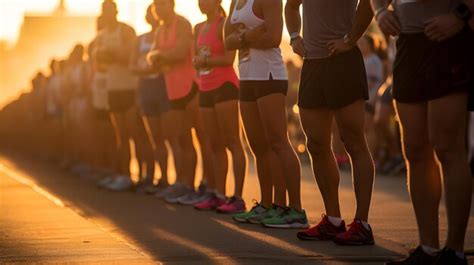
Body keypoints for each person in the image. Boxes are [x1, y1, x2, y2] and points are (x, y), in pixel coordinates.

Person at [372, 0, 474, 264]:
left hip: (448, 38)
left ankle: (454, 252)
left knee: (447, 147)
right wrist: (380, 10)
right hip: (408, 43)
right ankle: (428, 249)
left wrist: (462, 15)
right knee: (415, 150)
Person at [286, 0, 376, 245]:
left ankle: (362, 224)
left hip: (343, 60)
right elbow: (291, 7)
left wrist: (350, 39)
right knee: (315, 144)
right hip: (313, 64)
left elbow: (369, 4)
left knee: (353, 141)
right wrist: (294, 37)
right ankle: (334, 221)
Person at [225, 0, 308, 228]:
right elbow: (227, 40)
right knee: (258, 147)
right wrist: (248, 36)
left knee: (278, 143)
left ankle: (294, 209)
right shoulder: (235, 2)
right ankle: (267, 204)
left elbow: (272, 37)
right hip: (247, 77)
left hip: (269, 76)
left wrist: (242, 37)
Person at [149, 0, 213, 205]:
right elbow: (151, 58)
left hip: (192, 88)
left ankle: (209, 186)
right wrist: (160, 57)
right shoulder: (160, 30)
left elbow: (180, 52)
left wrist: (161, 57)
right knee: (183, 141)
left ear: (172, 5)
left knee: (204, 139)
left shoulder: (182, 24)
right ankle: (187, 185)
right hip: (173, 91)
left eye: (162, 5)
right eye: (156, 6)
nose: (159, 9)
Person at [192, 0, 247, 213]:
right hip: (205, 88)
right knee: (214, 144)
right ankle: (218, 194)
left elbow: (227, 58)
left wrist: (205, 62)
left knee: (232, 141)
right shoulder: (198, 28)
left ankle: (238, 197)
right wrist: (198, 63)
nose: (201, 3)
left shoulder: (224, 24)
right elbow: (196, 59)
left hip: (225, 86)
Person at [93, 0, 139, 191]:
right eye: (104, 11)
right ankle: (121, 174)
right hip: (113, 88)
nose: (107, 14)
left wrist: (112, 55)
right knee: (119, 135)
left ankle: (135, 176)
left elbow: (130, 56)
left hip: (129, 87)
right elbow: (99, 63)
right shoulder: (102, 36)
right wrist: (111, 56)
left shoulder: (126, 31)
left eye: (110, 10)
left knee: (132, 134)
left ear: (116, 11)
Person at [130, 4, 169, 194]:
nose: (150, 15)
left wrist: (154, 68)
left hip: (162, 86)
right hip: (145, 87)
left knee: (165, 136)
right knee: (151, 137)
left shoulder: (164, 34)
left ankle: (165, 179)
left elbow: (166, 61)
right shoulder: (140, 39)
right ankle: (150, 176)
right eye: (147, 12)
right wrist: (146, 69)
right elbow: (132, 65)